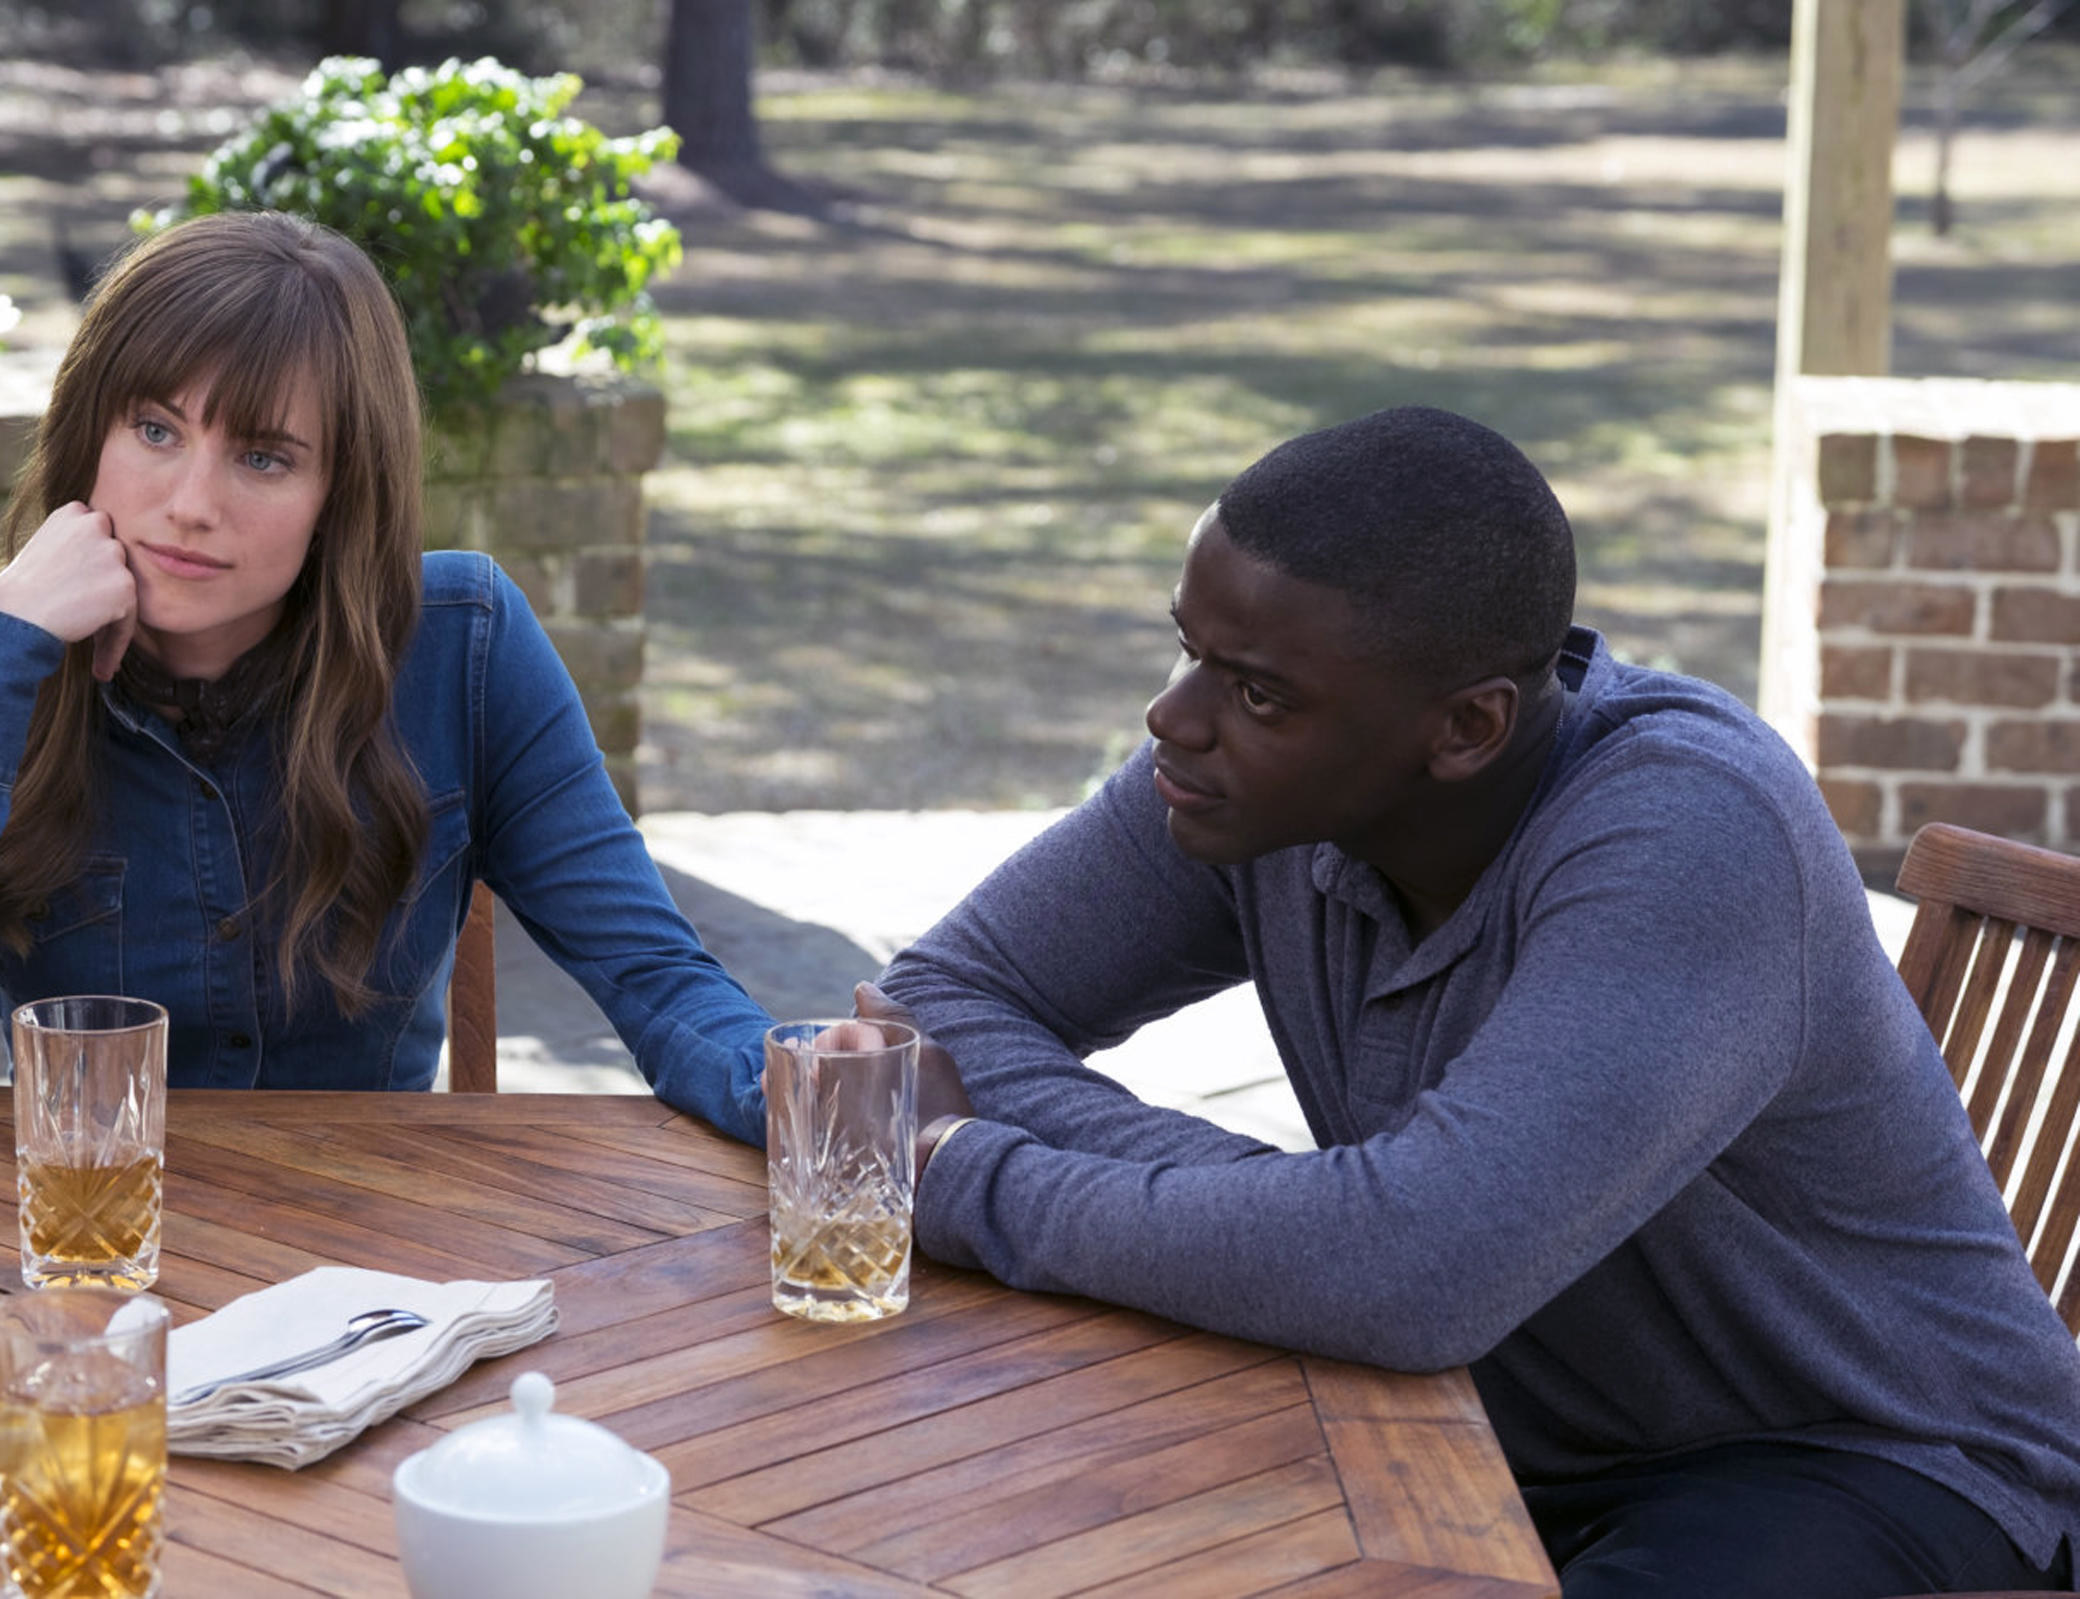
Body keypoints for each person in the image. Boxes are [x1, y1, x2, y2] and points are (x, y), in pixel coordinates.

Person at [873, 406, 2080, 1597]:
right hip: (1468, 1420)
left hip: (1872, 1460)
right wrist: (1292, 1216)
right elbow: (937, 998)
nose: (1173, 718)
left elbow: (1407, 1275)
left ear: (1467, 728)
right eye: (1186, 650)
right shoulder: (1261, 777)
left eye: (1253, 692)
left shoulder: (1691, 833)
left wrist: (972, 1170)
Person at [0, 211, 771, 1144]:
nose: (191, 505)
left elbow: (656, 976)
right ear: (88, 432)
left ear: (341, 493)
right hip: (88, 1252)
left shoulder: (462, 644)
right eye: (154, 430)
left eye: (263, 457)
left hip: (365, 1263)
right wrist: (0, 656)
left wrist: (810, 1084)